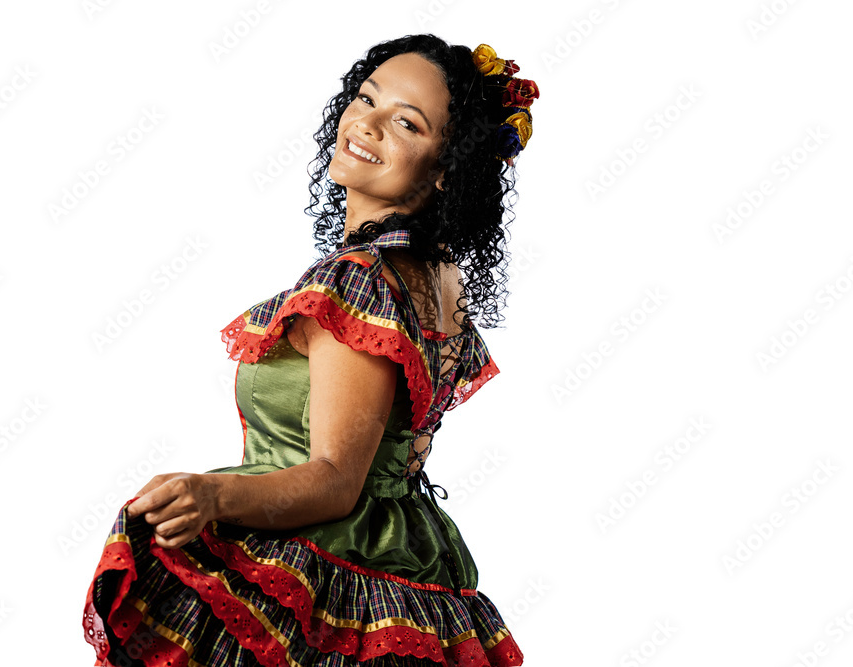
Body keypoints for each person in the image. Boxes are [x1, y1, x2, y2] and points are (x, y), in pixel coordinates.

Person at [82, 33, 538, 666]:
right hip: (407, 569)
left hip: (324, 569)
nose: (367, 124)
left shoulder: (357, 281)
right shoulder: (440, 277)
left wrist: (210, 496)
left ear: (445, 168)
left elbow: (334, 482)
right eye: (366, 97)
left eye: (406, 122)